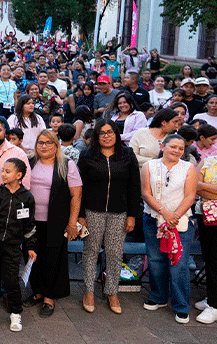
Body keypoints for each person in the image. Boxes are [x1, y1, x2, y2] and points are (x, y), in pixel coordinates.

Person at [77, 120, 141, 314]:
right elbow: (80, 187)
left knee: (114, 253)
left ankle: (112, 291)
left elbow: (134, 186)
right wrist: (80, 215)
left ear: (116, 134)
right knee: (91, 252)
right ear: (96, 136)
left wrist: (132, 215)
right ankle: (88, 291)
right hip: (92, 211)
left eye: (110, 132)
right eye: (102, 133)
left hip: (119, 212)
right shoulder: (87, 156)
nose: (106, 135)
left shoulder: (127, 155)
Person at [25, 129, 82, 318]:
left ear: (56, 145)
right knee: (33, 256)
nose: (44, 146)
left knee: (52, 258)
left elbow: (76, 195)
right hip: (31, 220)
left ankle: (49, 297)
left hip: (56, 220)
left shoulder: (67, 164)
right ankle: (38, 291)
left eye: (48, 143)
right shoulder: (30, 162)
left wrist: (72, 223)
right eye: (40, 143)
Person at [140, 134, 197, 324]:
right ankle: (158, 297)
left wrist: (175, 216)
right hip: (153, 218)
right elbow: (146, 193)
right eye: (173, 147)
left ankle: (181, 305)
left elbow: (190, 196)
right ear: (163, 146)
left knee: (179, 263)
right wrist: (164, 212)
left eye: (181, 148)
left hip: (180, 221)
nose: (177, 151)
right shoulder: (149, 166)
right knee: (156, 260)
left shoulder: (189, 168)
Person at [0, 158, 37, 332]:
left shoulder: (27, 198)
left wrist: (31, 246)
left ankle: (16, 314)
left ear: (19, 175)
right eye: (2, 170)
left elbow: (30, 226)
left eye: (7, 171)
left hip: (13, 245)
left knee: (11, 281)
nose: (3, 174)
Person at [196, 151, 217, 323]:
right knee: (208, 259)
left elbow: (201, 187)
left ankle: (215, 306)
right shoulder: (207, 161)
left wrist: (205, 188)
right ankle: (212, 296)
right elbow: (195, 186)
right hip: (205, 217)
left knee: (216, 262)